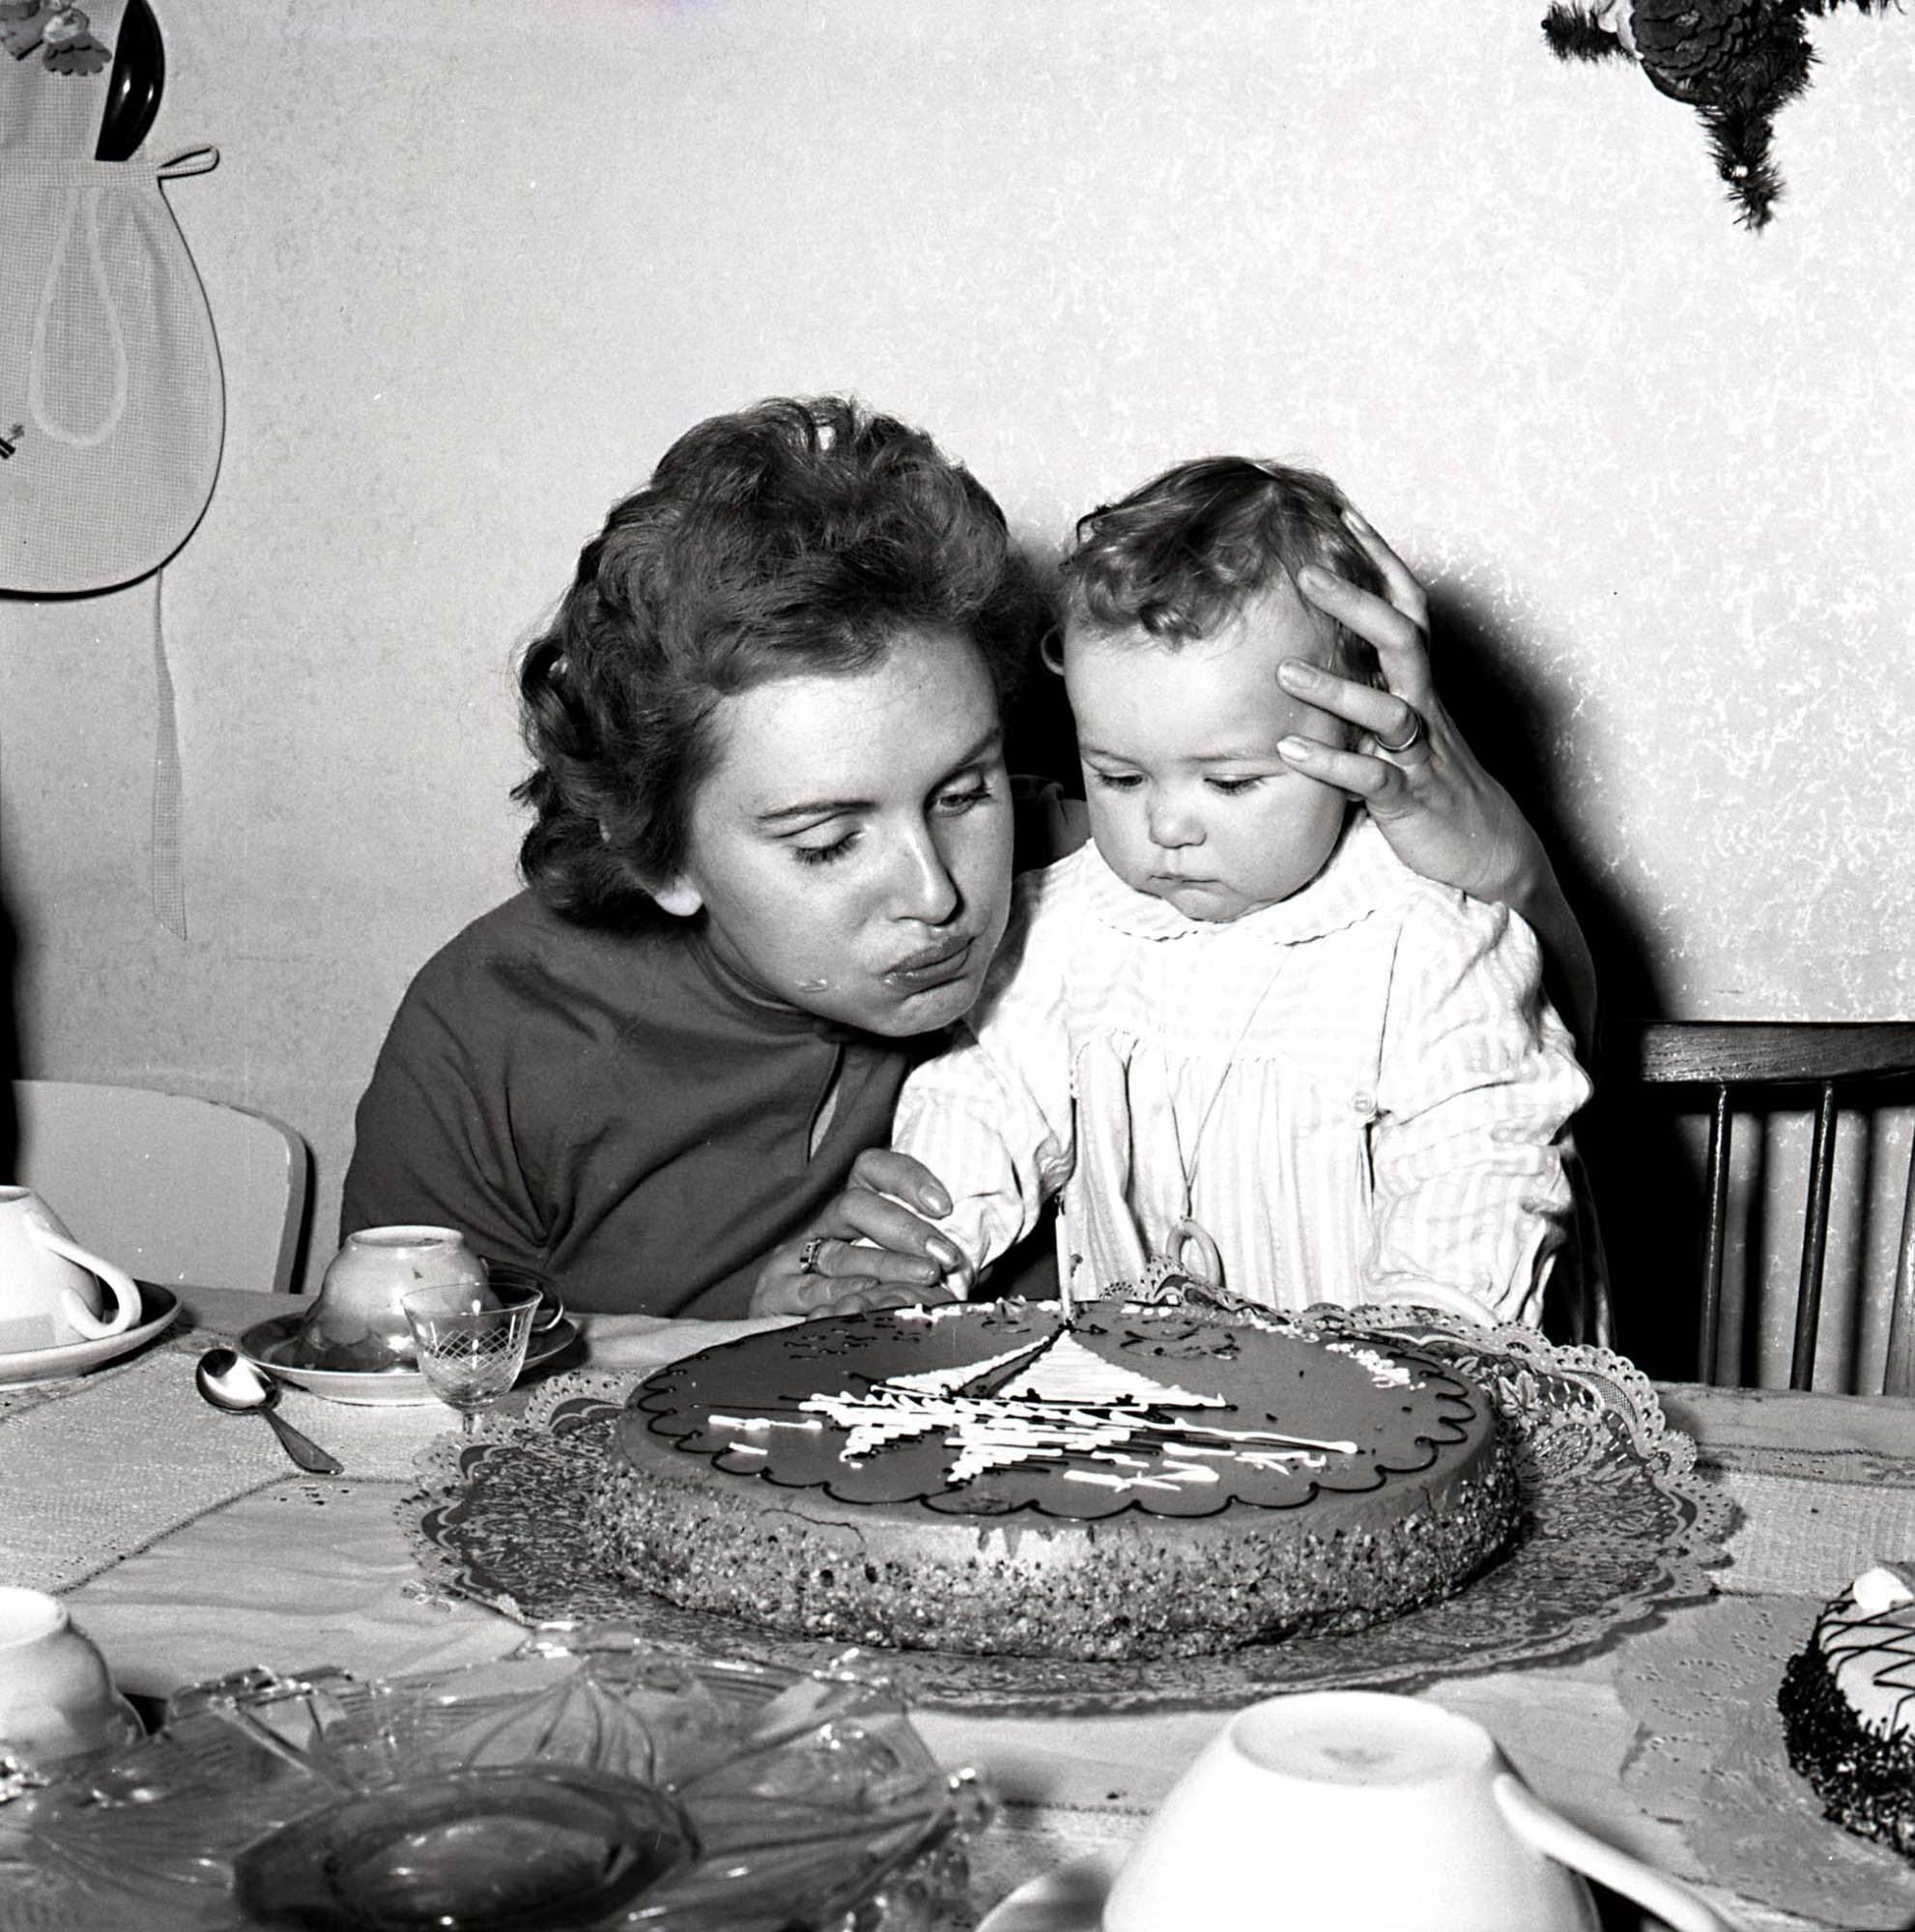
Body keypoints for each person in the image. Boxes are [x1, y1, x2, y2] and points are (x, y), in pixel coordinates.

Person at [342, 397, 1594, 1330]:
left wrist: (1482, 840)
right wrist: (724, 1338)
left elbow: (1507, 1052)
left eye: (964, 792)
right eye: (828, 841)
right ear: (656, 849)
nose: (939, 893)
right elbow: (397, 1421)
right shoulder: (495, 1033)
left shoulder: (1128, 876)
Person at [814, 457, 1591, 1326]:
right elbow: (982, 1103)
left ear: (1358, 737)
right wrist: (915, 1254)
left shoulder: (1434, 941)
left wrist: (1426, 1333)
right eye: (1119, 777)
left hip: (1382, 1383)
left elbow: (1482, 1160)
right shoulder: (1062, 925)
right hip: (1134, 1392)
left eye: (1229, 783)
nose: (1166, 825)